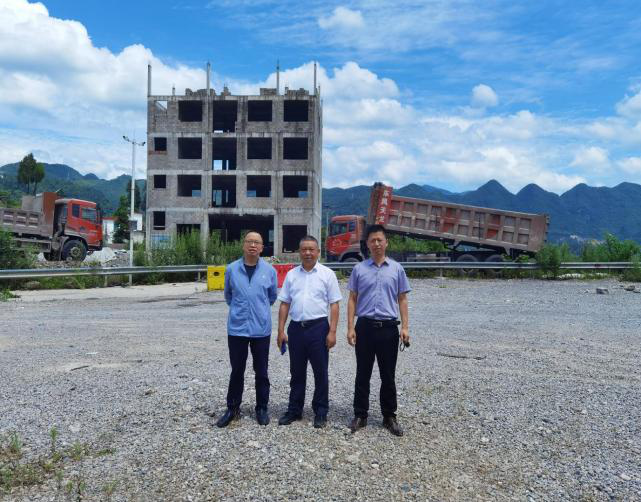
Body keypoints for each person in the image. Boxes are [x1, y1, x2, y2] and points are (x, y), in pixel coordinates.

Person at [346, 224, 411, 436]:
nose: (376, 244)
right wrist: (350, 327)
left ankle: (389, 416)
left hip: (388, 328)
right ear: (367, 244)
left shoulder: (397, 269)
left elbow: (402, 299)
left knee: (388, 375)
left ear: (386, 243)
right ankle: (360, 415)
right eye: (372, 240)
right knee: (362, 373)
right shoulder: (359, 269)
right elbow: (352, 299)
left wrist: (405, 327)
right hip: (364, 327)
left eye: (379, 240)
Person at [276, 235, 342, 429]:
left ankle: (320, 411)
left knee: (320, 372)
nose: (307, 253)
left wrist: (332, 331)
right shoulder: (291, 275)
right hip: (296, 329)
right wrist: (280, 330)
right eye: (304, 249)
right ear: (299, 252)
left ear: (318, 252)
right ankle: (294, 410)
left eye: (311, 249)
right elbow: (284, 303)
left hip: (318, 329)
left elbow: (334, 304)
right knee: (296, 372)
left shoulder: (327, 274)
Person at [216, 231, 278, 428]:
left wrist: (258, 310)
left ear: (262, 247)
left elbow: (271, 297)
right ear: (243, 245)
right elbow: (228, 296)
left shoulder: (269, 271)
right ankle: (233, 408)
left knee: (262, 370)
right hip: (237, 329)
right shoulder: (232, 269)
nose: (253, 245)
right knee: (237, 370)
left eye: (257, 242)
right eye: (249, 241)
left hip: (261, 329)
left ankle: (262, 408)